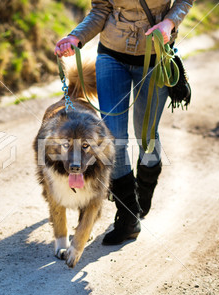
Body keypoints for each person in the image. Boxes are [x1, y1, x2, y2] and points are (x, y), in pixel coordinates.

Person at [54, 0, 194, 245]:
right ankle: (128, 215)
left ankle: (145, 185)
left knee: (146, 137)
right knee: (112, 139)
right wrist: (75, 37)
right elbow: (100, 10)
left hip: (155, 55)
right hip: (111, 56)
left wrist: (169, 22)